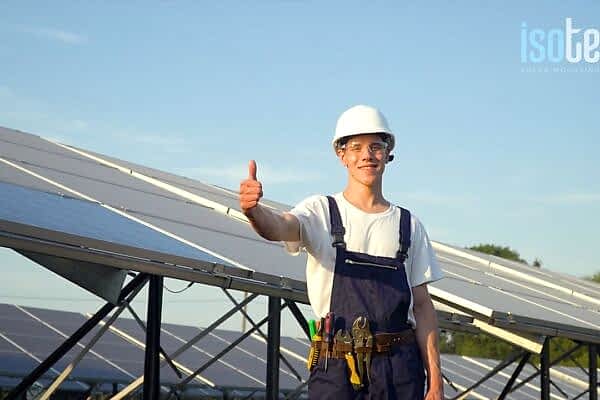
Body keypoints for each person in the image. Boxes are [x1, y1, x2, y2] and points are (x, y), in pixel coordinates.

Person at [239, 105, 444, 399]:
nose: (367, 155)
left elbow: (423, 307)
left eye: (376, 146)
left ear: (388, 153)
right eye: (356, 147)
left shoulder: (409, 225)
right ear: (342, 155)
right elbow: (280, 227)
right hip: (336, 369)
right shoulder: (321, 212)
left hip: (399, 371)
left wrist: (435, 384)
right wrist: (254, 212)